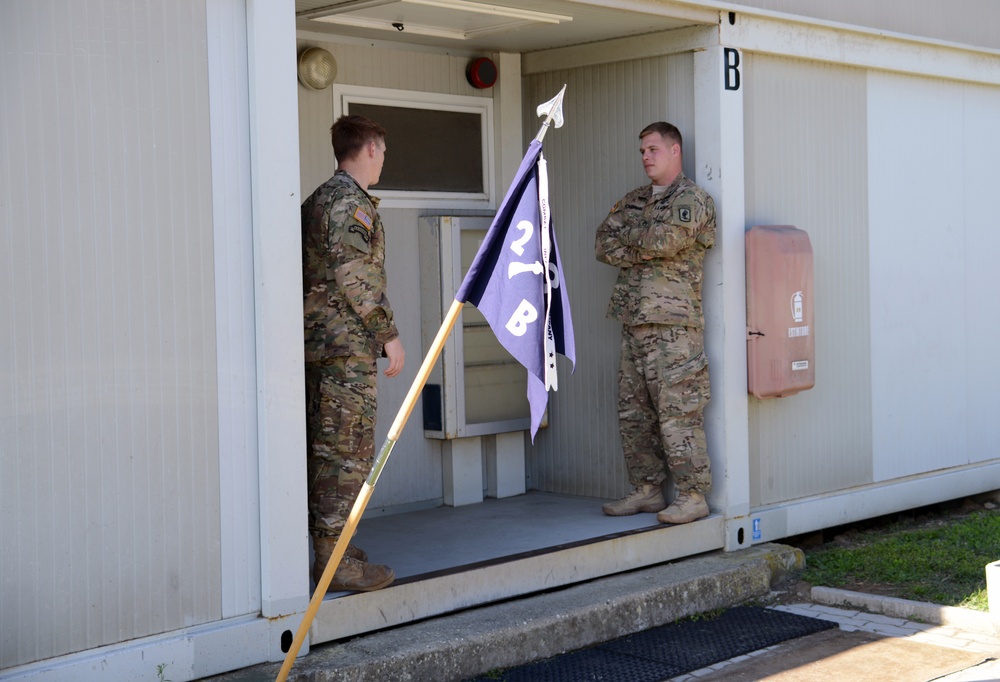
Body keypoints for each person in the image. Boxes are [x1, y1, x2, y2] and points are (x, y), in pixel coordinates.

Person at [301, 114, 405, 591]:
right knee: (346, 455)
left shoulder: (323, 198)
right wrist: (388, 334)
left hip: (326, 345)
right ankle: (334, 562)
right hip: (343, 349)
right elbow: (355, 276)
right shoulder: (348, 203)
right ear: (369, 149)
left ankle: (334, 546)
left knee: (331, 451)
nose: (383, 159)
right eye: (382, 150)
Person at [594, 121, 715, 525]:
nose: (646, 157)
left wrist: (634, 240)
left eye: (653, 149)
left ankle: (692, 496)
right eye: (642, 151)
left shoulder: (692, 199)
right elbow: (603, 243)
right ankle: (647, 490)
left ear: (674, 150)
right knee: (635, 413)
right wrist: (644, 241)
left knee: (678, 412)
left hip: (674, 328)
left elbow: (669, 240)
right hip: (634, 321)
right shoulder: (634, 200)